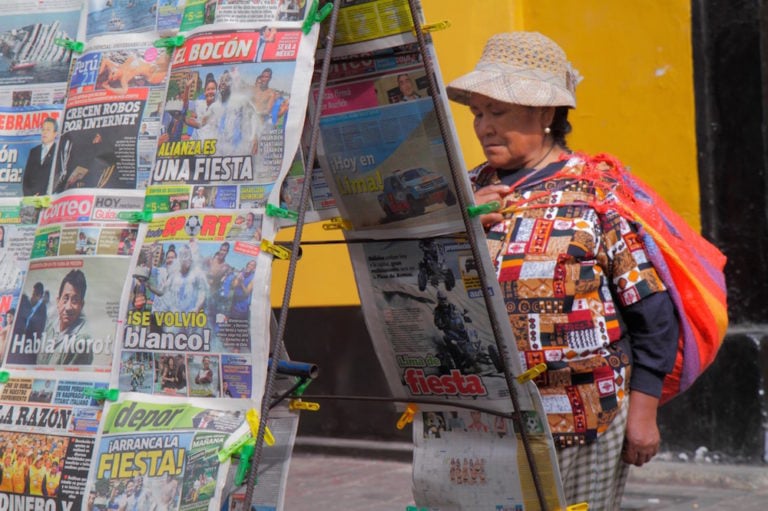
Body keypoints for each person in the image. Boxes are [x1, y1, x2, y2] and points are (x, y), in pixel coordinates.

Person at [446, 32, 678, 508]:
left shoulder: (596, 191)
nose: (483, 126)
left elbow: (651, 310)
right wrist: (456, 221)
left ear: (546, 114)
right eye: (477, 113)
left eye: (499, 111)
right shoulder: (464, 191)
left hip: (586, 416)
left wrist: (644, 413)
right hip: (487, 421)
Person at [37, 269, 93, 366]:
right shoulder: (50, 327)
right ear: (58, 301)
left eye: (75, 300)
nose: (68, 307)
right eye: (65, 299)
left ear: (81, 305)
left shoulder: (82, 342)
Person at [22, 117, 57, 196]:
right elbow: (26, 178)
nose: (44, 132)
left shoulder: (58, 151)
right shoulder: (34, 151)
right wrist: (30, 196)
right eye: (43, 130)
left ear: (55, 134)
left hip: (49, 199)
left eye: (48, 130)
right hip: (31, 200)